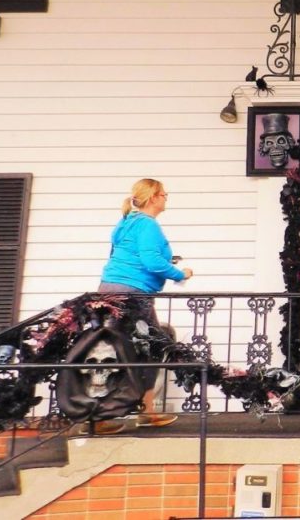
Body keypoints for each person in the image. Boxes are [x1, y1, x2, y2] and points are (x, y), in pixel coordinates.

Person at [99, 178, 192, 428]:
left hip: (109, 291)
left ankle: (103, 413)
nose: (166, 198)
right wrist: (180, 274)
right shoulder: (148, 225)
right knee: (153, 347)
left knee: (118, 350)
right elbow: (151, 262)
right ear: (152, 198)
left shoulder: (126, 223)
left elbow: (123, 257)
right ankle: (145, 410)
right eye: (164, 194)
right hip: (133, 294)